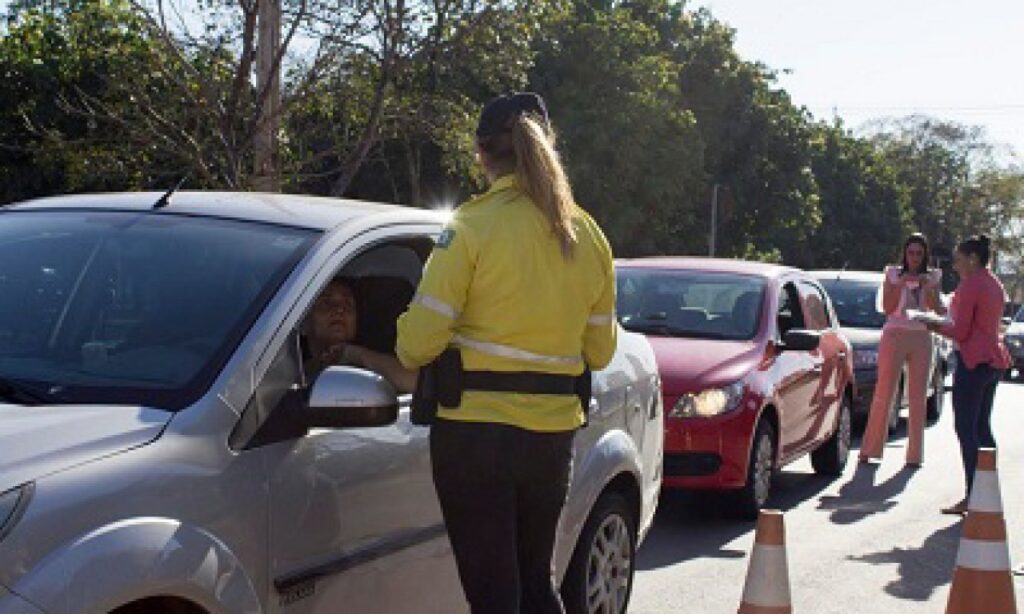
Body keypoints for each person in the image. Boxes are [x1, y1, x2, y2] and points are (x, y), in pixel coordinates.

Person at [395, 92, 616, 614]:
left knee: (495, 596)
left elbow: (414, 345)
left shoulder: (473, 224)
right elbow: (600, 352)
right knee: (536, 587)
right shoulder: (589, 235)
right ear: (547, 149)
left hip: (473, 438)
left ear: (482, 154)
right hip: (551, 439)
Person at [925, 235, 1010, 515]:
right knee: (982, 428)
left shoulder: (972, 284)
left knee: (967, 428)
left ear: (972, 259)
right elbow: (956, 316)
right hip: (993, 360)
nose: (955, 265)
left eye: (959, 259)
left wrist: (931, 325)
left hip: (974, 362)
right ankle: (986, 492)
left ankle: (975, 494)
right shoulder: (992, 282)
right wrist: (937, 312)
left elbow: (960, 330)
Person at [859, 233, 945, 467]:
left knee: (918, 396)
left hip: (921, 335)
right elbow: (887, 307)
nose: (915, 258)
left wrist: (929, 288)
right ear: (905, 254)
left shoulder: (933, 276)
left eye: (919, 253)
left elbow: (938, 309)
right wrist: (900, 283)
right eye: (911, 253)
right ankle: (870, 449)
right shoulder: (892, 274)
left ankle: (915, 455)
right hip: (895, 333)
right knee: (884, 391)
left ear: (925, 255)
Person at [304, 278, 417, 393]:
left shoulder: (371, 371)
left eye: (348, 304)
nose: (339, 309)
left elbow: (415, 383)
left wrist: (356, 354)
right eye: (326, 303)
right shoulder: (291, 377)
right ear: (304, 322)